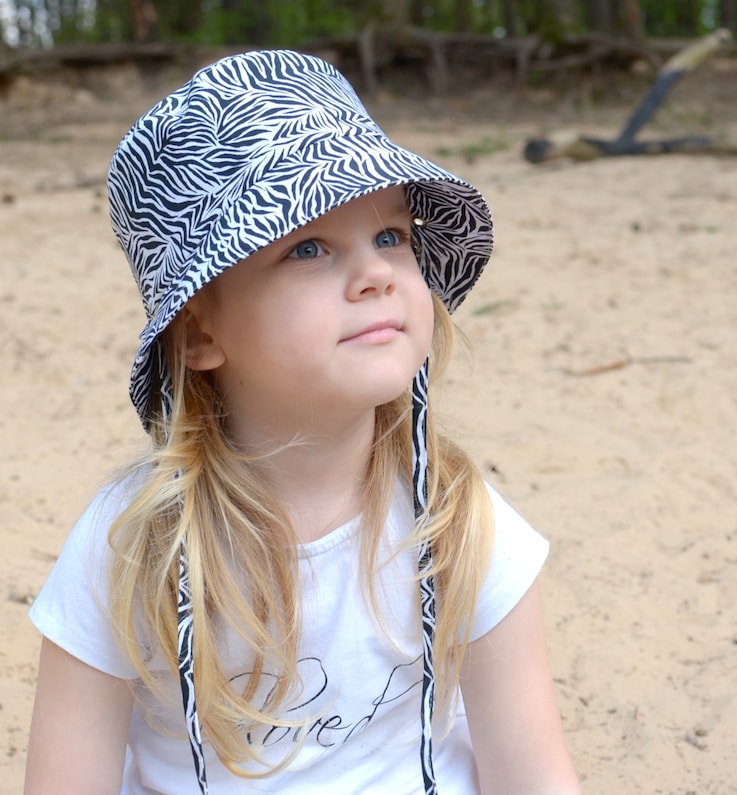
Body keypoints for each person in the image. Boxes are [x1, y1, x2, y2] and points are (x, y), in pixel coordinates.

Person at [23, 50, 583, 795]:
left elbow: (532, 774)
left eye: (391, 236)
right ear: (199, 334)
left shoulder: (455, 520)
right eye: (309, 247)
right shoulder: (135, 544)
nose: (378, 272)